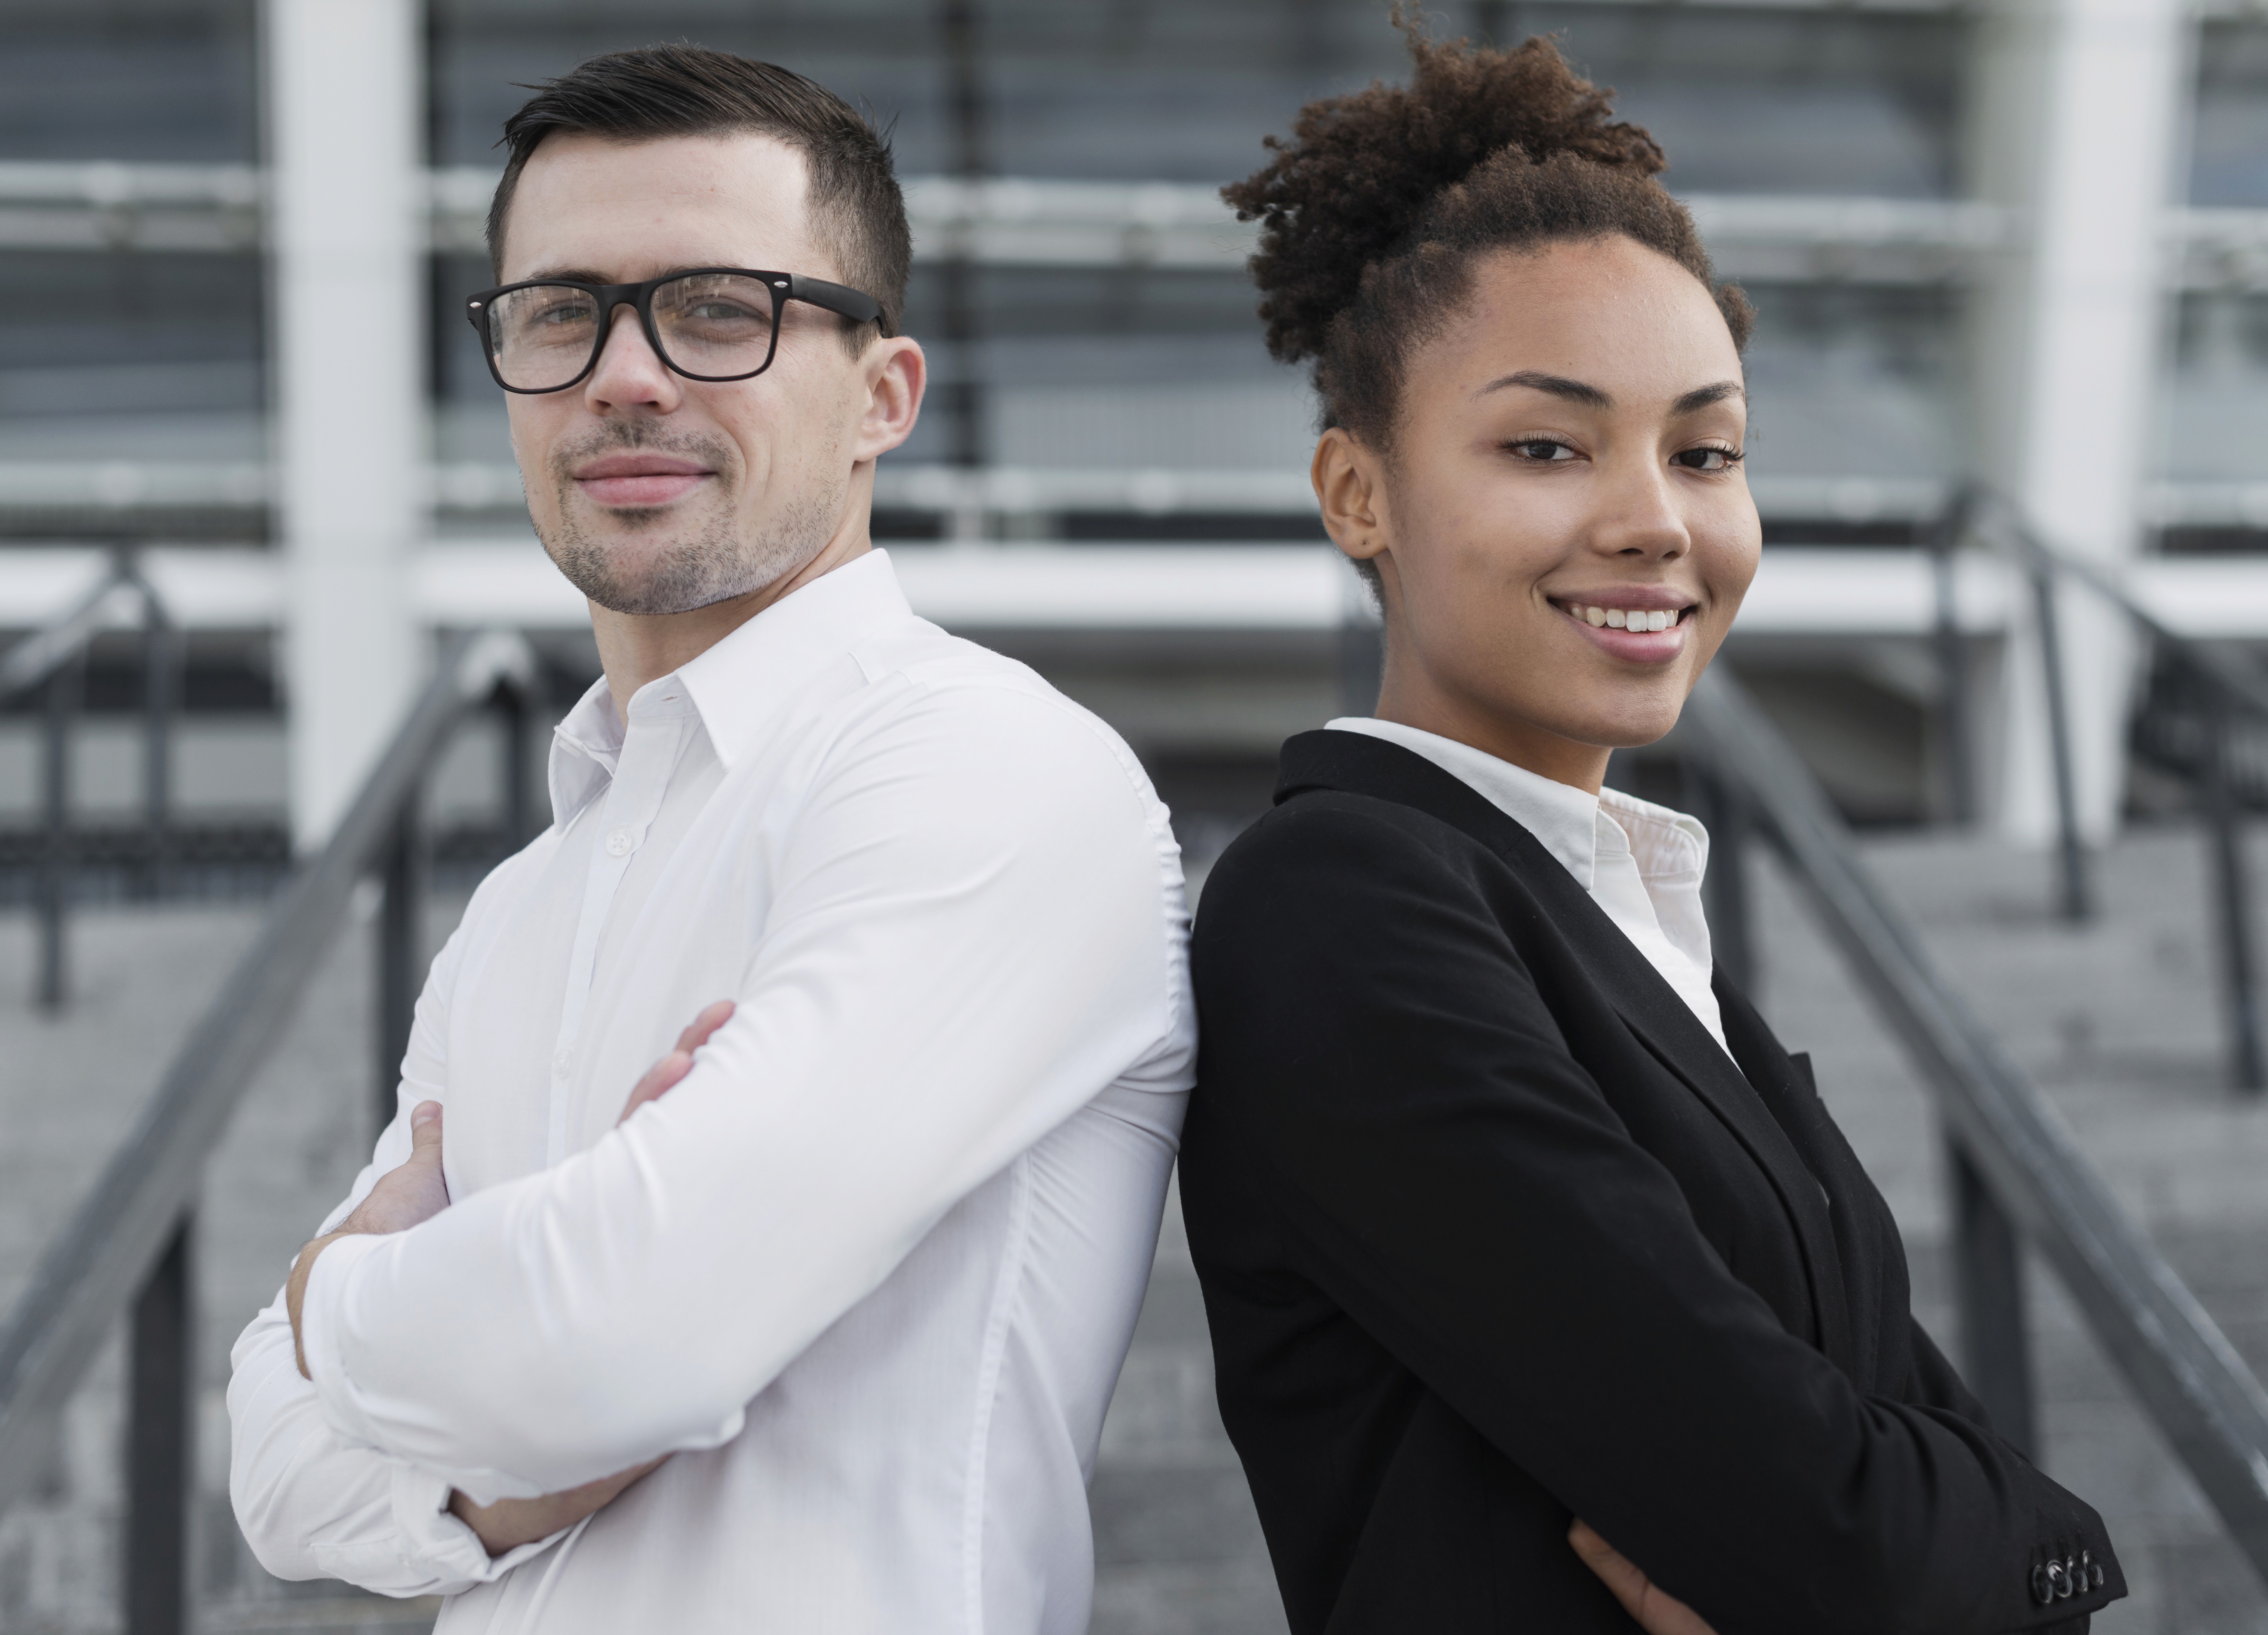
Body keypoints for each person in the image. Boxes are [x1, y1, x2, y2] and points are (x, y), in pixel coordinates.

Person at [227, 46, 1194, 1633]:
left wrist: (332, 1295)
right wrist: (509, 1455)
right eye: (559, 312)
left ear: (883, 396)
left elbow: (626, 1333)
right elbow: (272, 1477)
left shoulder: (985, 767)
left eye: (717, 309)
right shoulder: (521, 902)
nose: (624, 375)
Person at [1177, 21, 2124, 1635]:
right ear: (1359, 491)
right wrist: (2024, 1537)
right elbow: (1837, 1531)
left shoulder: (1643, 944)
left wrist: (1990, 1539)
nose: (1654, 519)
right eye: (1545, 445)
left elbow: (1879, 1499)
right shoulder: (1339, 898)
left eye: (1706, 450)